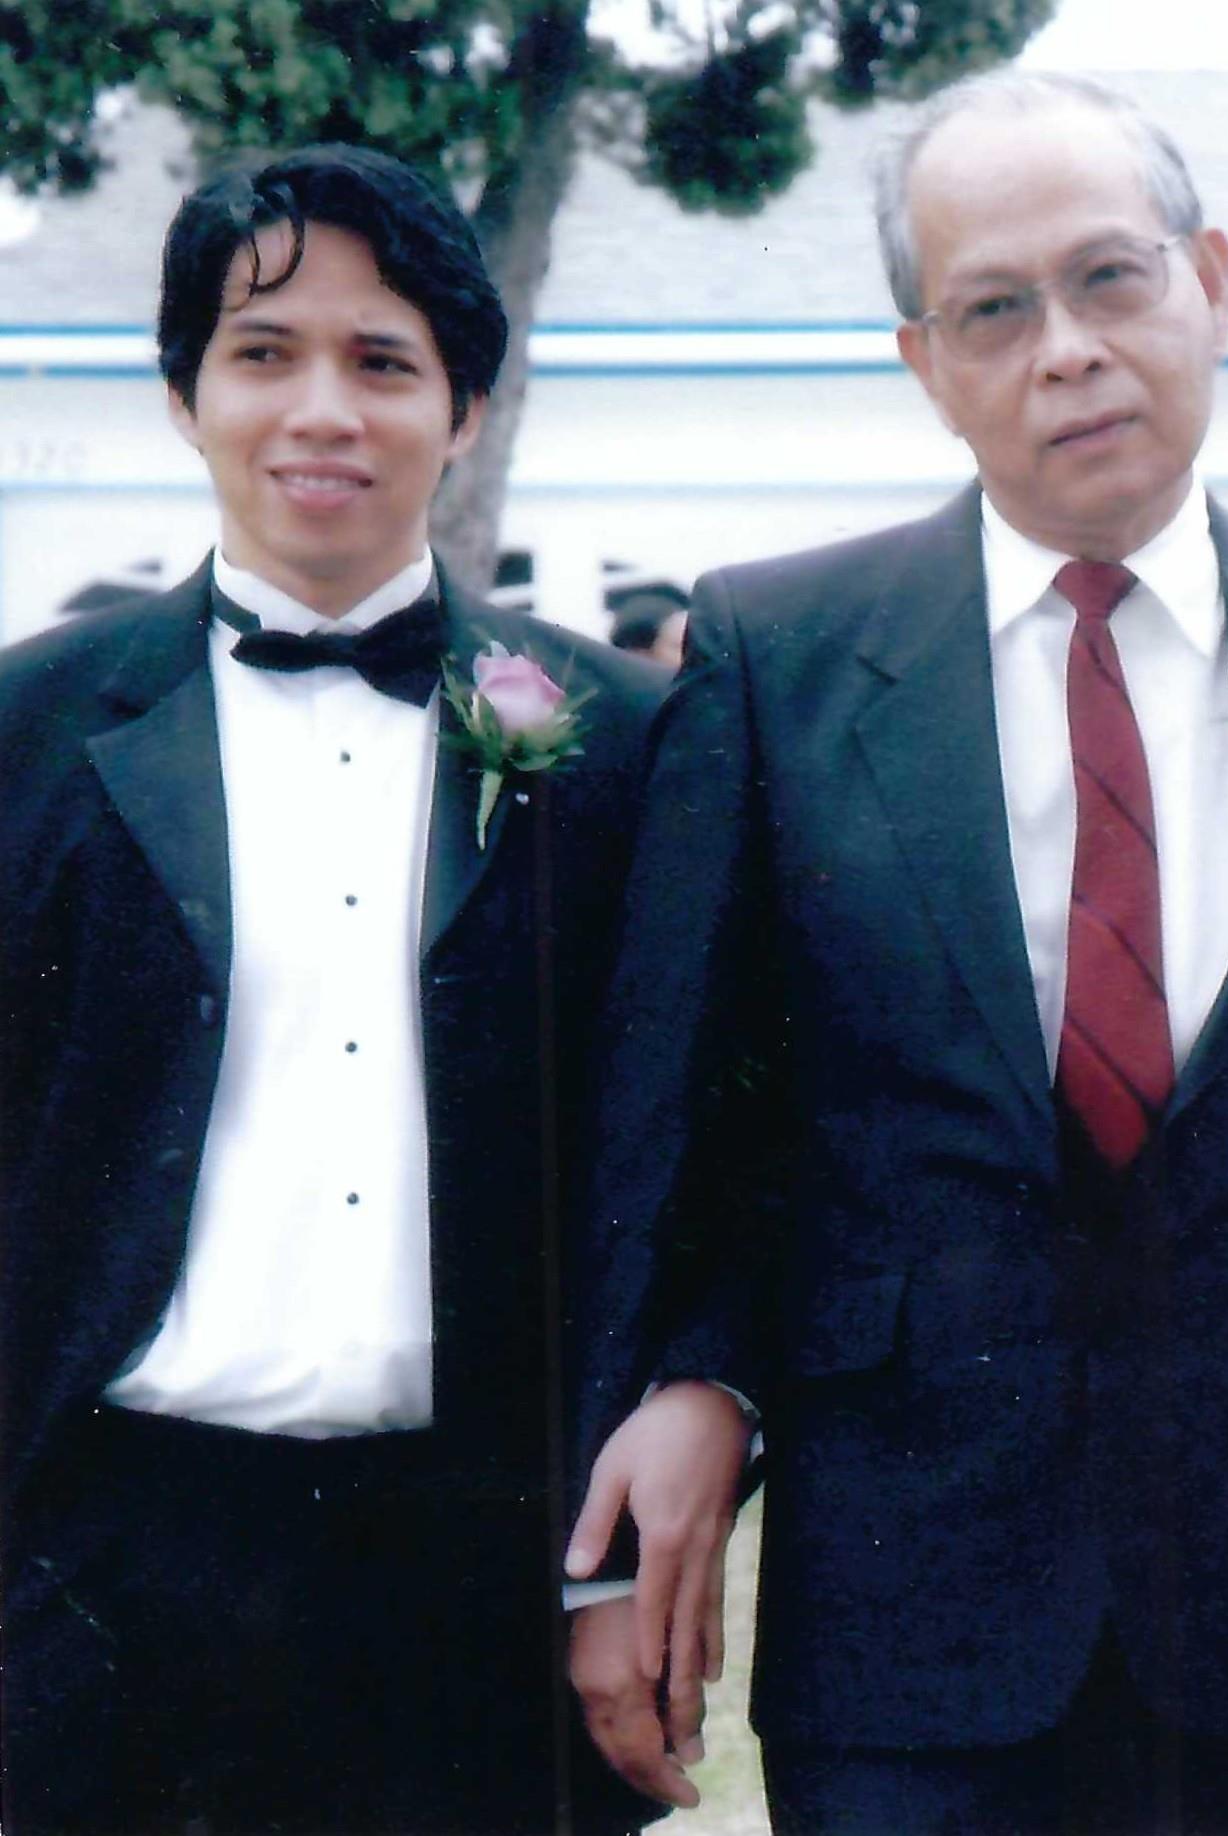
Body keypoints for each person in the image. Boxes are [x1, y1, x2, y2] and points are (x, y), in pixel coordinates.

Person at [565, 70, 1228, 1835]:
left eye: (1111, 278)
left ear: (1212, 279)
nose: (1068, 352)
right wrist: (674, 1420)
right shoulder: (779, 653)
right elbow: (682, 1120)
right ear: (926, 363)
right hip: (911, 1613)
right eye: (994, 310)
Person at [0, 145, 662, 1834]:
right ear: (183, 393)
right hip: (99, 1567)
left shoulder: (629, 749)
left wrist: (610, 1570)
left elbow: (681, 1170)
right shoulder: (29, 732)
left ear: (464, 406)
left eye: (382, 361)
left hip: (476, 1581)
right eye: (262, 352)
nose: (322, 410)